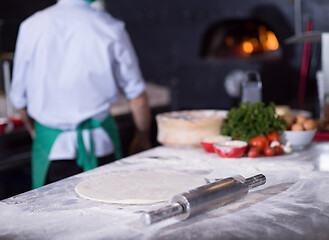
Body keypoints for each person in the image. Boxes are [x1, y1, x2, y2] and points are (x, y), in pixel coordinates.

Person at [10, 0, 152, 189]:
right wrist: (142, 139)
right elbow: (139, 101)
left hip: (52, 151)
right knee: (106, 214)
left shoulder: (31, 26)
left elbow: (19, 100)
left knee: (54, 217)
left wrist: (33, 130)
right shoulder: (110, 27)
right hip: (102, 147)